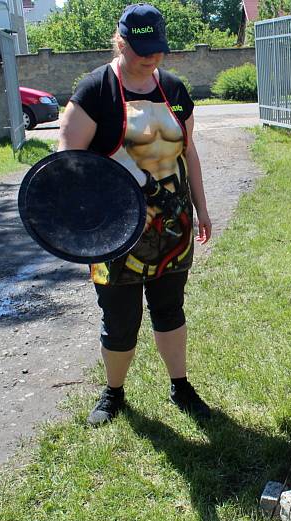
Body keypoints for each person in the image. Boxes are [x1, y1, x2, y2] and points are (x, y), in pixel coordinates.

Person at [58, 3, 213, 426]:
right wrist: (92, 221)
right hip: (116, 235)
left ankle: (180, 385)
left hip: (174, 226)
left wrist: (201, 207)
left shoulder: (176, 89)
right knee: (120, 319)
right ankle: (114, 392)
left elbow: (189, 150)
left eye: (158, 48)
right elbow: (67, 162)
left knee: (170, 308)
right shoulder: (96, 90)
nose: (151, 57)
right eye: (141, 49)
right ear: (120, 42)